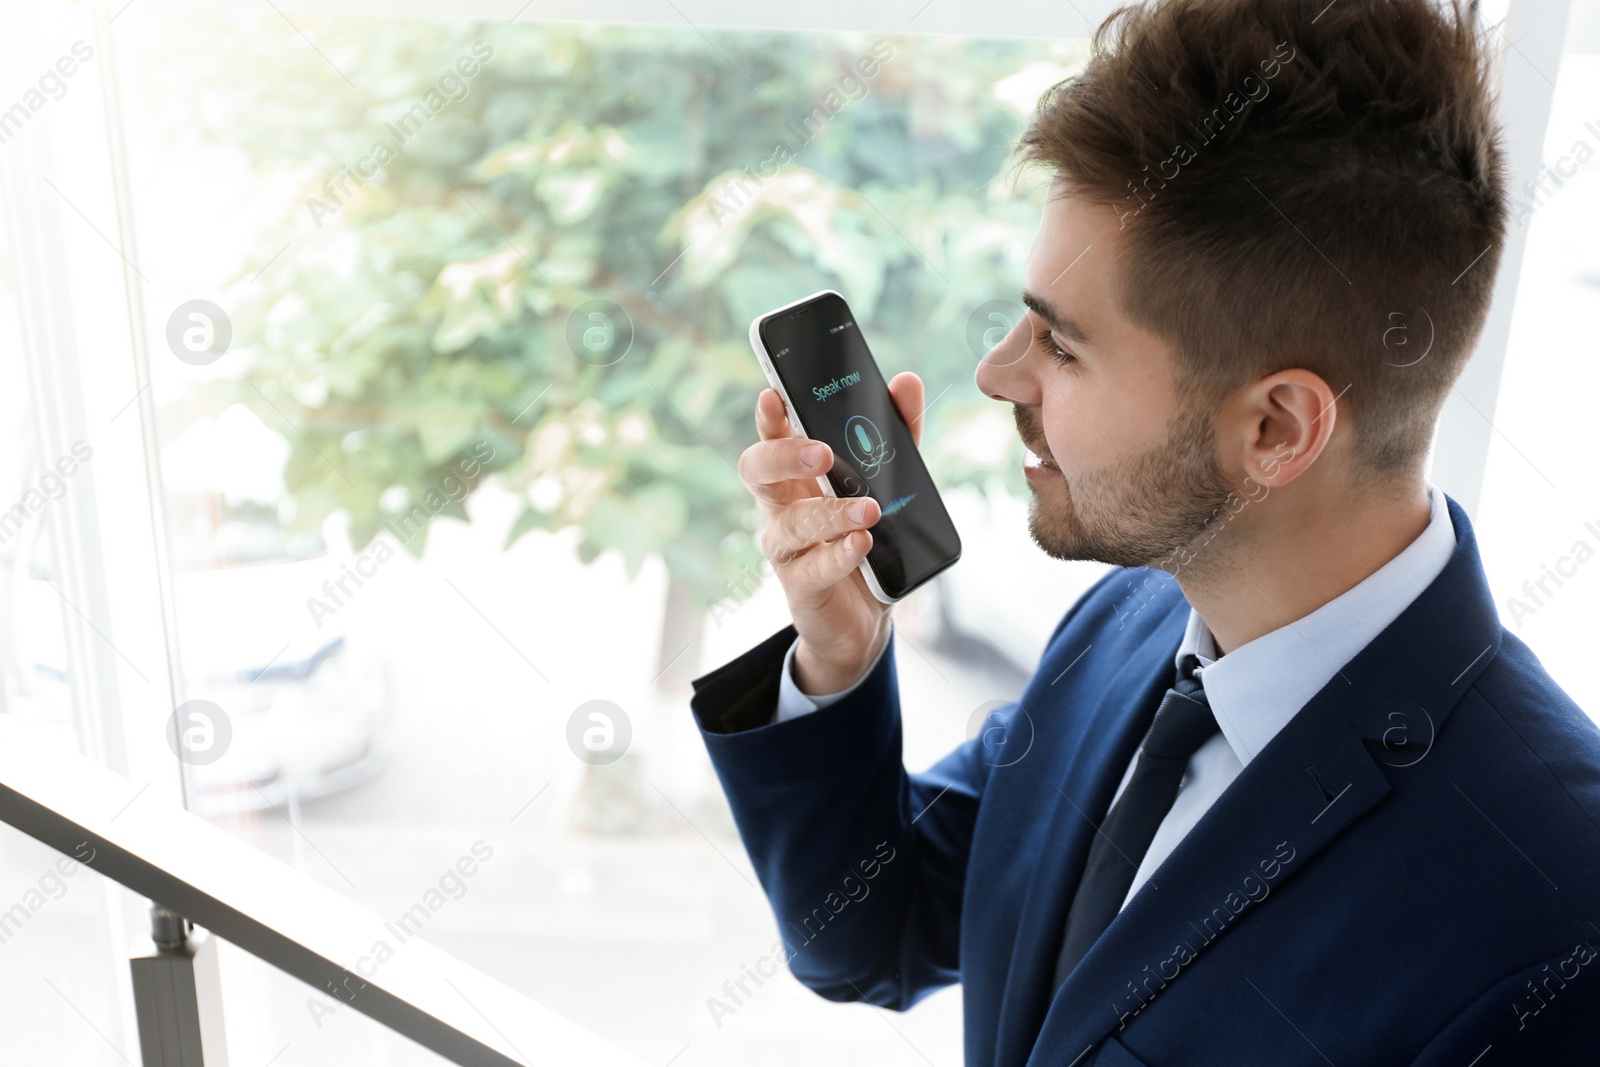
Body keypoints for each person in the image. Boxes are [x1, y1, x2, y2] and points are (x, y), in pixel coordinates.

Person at [689, 0, 1600, 1062]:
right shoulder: (1128, 627)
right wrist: (839, 655)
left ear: (1273, 426)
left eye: (1062, 346)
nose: (995, 373)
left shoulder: (1553, 914)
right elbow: (874, 933)